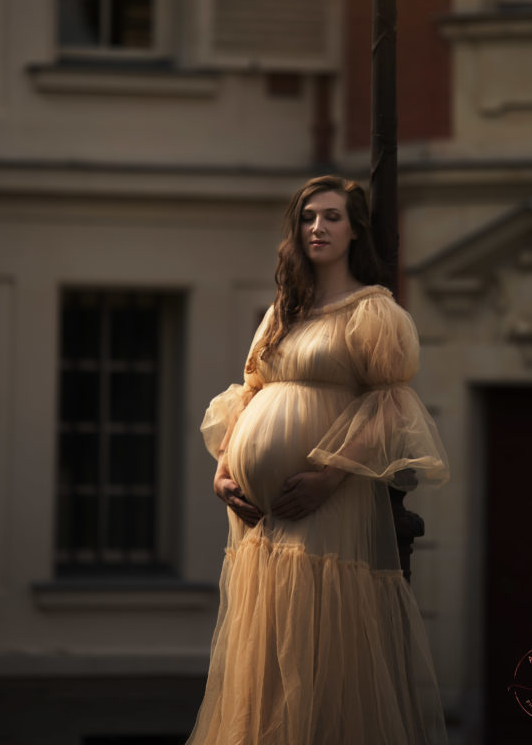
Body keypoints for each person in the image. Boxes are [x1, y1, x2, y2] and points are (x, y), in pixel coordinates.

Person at [186, 175, 450, 745]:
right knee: (270, 646)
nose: (317, 228)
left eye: (331, 217)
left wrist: (329, 477)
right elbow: (251, 390)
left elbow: (389, 405)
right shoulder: (286, 310)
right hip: (261, 520)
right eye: (308, 217)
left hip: (327, 504)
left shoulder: (373, 311)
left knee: (323, 642)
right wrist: (224, 470)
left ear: (355, 230)